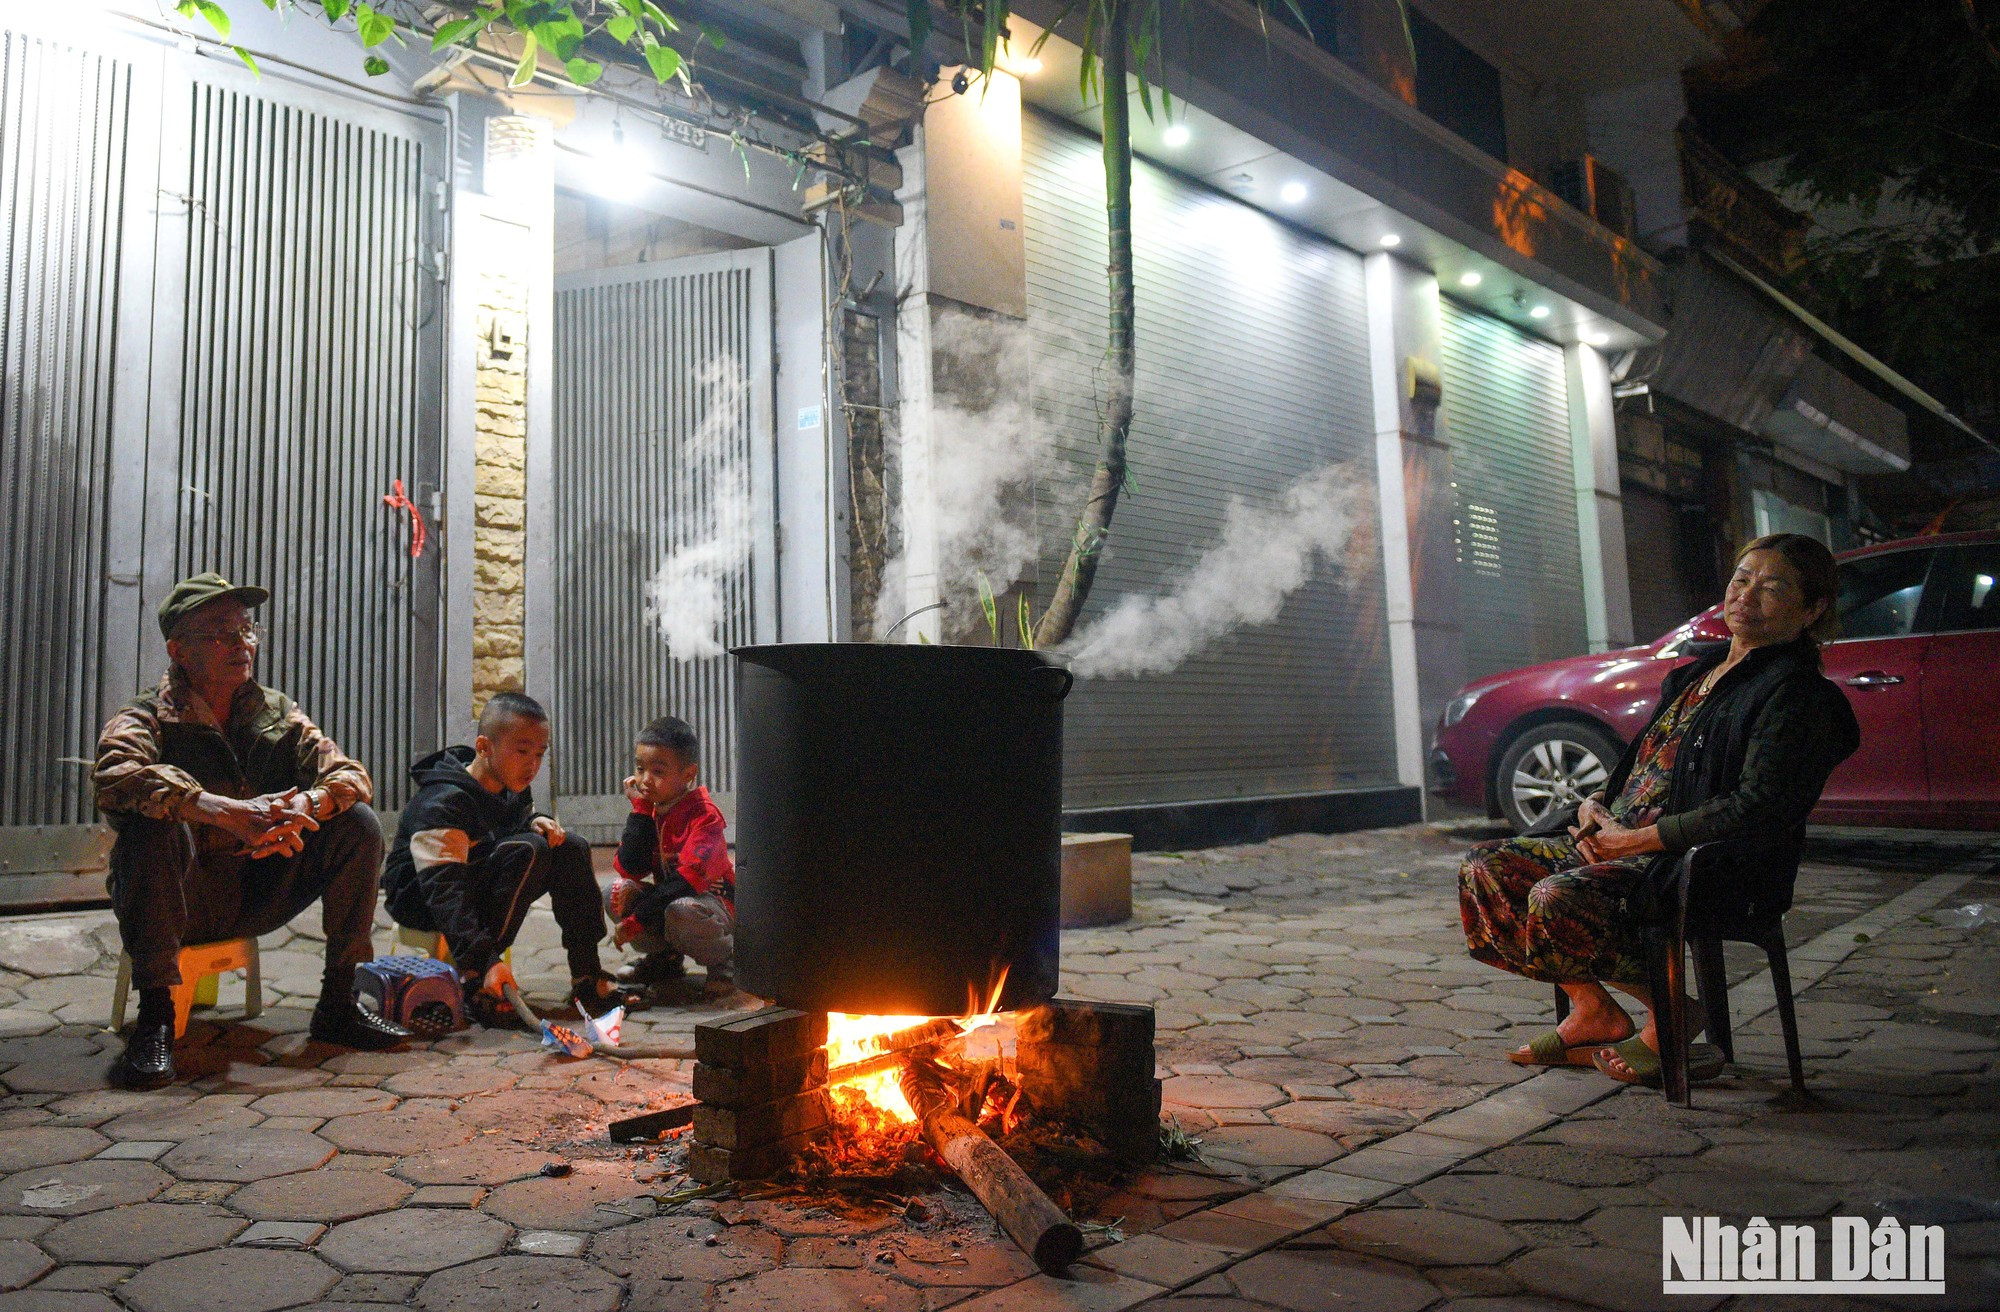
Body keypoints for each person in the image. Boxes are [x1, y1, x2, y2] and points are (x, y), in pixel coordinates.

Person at [1457, 533, 1860, 1087]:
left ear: (1812, 610)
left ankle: (1671, 1011)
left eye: (1772, 588)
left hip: (1701, 864)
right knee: (1487, 868)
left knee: (1557, 895)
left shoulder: (1795, 696)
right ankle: (1594, 1009)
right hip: (1626, 846)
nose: (1746, 596)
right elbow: (1648, 759)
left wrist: (1633, 841)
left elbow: (1758, 807)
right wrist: (1597, 807)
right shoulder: (1696, 674)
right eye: (1741, 579)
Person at [95, 574, 411, 1088]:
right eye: (220, 634)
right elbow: (114, 774)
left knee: (356, 824)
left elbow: (350, 775)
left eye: (246, 630)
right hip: (178, 900)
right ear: (179, 650)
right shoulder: (147, 714)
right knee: (152, 830)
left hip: (258, 889)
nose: (241, 644)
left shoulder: (275, 712)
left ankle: (339, 1002)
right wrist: (220, 810)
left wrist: (305, 805)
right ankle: (155, 1020)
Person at [382, 693, 640, 1028]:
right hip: (424, 900)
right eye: (522, 751)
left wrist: (535, 820)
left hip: (468, 884)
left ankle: (587, 977)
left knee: (569, 847)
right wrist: (485, 960)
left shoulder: (508, 786)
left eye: (540, 754)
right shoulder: (443, 802)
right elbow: (443, 893)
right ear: (484, 747)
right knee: (529, 851)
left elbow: (505, 829)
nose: (532, 765)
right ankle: (478, 983)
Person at [604, 716, 737, 1000]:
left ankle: (727, 964)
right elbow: (630, 868)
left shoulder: (705, 816)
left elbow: (685, 884)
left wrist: (636, 921)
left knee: (681, 911)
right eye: (640, 769)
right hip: (672, 901)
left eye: (658, 771)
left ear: (688, 774)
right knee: (616, 892)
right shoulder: (651, 810)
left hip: (712, 907)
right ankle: (664, 960)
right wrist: (640, 810)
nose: (645, 780)